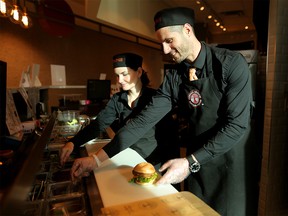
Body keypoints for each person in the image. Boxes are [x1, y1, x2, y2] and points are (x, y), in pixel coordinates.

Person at [71, 7, 254, 215]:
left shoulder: (230, 64)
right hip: (194, 165)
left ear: (187, 30)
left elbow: (237, 125)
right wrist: (95, 160)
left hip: (226, 163)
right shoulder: (175, 77)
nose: (165, 50)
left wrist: (190, 161)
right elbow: (142, 121)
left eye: (169, 41)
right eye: (162, 43)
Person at [62, 52, 179, 177]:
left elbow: (171, 137)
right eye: (117, 75)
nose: (119, 80)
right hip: (128, 159)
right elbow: (98, 125)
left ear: (139, 72)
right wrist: (73, 142)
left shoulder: (155, 99)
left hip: (153, 163)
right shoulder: (117, 99)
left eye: (124, 74)